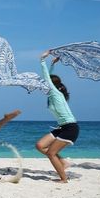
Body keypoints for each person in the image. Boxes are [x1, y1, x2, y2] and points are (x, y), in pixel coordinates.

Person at [36, 51, 79, 183]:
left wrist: (42, 60)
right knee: (40, 145)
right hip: (62, 127)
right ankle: (63, 162)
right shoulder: (52, 95)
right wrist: (52, 64)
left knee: (50, 153)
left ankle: (63, 179)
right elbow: (49, 78)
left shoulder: (55, 94)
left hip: (70, 128)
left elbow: (47, 79)